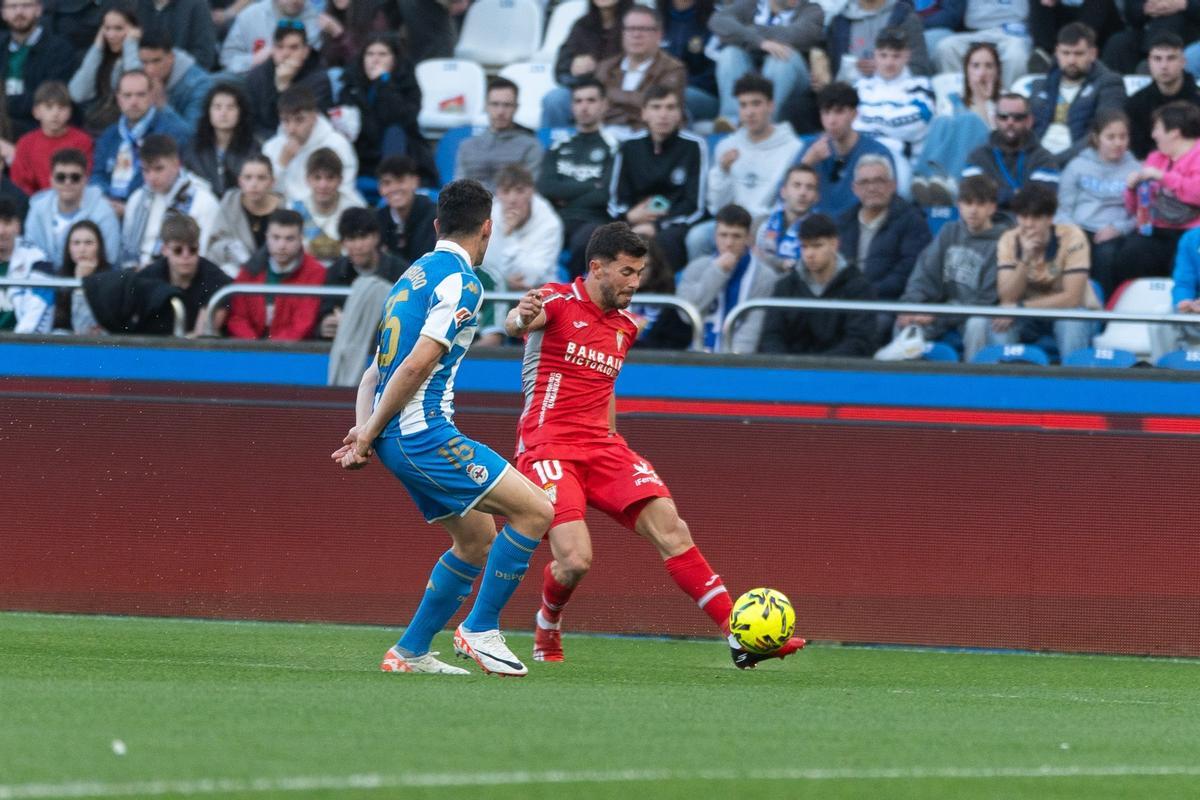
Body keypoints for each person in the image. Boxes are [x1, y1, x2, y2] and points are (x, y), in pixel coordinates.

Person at [505, 221, 804, 668]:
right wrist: (518, 316)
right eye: (626, 271)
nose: (635, 282)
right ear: (597, 268)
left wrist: (613, 442)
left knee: (673, 528)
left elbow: (603, 388)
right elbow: (518, 322)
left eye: (639, 272)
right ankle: (548, 623)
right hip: (547, 448)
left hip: (602, 448)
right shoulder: (555, 300)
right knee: (575, 561)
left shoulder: (626, 326)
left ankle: (737, 637)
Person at [333, 178, 554, 677]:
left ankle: (409, 652)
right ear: (488, 228)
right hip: (423, 435)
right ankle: (480, 628)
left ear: (436, 226)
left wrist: (364, 429)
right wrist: (365, 434)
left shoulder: (411, 275)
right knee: (537, 510)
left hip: (396, 438)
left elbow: (375, 369)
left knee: (477, 538)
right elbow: (413, 366)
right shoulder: (464, 281)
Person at [897, 173, 1007, 360]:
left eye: (980, 204)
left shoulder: (1003, 241)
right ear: (959, 205)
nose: (973, 210)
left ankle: (975, 380)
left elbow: (986, 300)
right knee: (904, 321)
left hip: (977, 314)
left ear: (992, 207)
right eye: (968, 203)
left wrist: (937, 316)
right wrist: (912, 307)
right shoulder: (949, 231)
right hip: (944, 310)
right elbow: (924, 275)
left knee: (977, 323)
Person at [1102, 101, 1200, 295]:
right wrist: (1131, 189)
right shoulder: (1155, 158)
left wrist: (1162, 177)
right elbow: (1135, 208)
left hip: (1192, 233)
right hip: (1155, 231)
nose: (1153, 135)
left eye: (1157, 128)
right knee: (1128, 255)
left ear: (1174, 132)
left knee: (1187, 261)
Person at [987, 184, 1095, 360]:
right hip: (1027, 315)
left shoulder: (1073, 237)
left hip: (1067, 310)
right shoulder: (1008, 239)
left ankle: (1074, 382)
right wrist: (1025, 259)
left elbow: (1072, 298)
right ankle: (1005, 382)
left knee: (1072, 323)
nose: (1028, 224)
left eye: (1036, 217)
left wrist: (1021, 308)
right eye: (1023, 216)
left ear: (1050, 218)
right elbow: (1007, 297)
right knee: (999, 322)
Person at [607, 85, 707, 272]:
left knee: (665, 241)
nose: (663, 114)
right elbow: (616, 199)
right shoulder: (629, 147)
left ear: (679, 114)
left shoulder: (694, 146)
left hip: (674, 224)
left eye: (670, 108)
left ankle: (664, 297)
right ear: (644, 113)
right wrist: (629, 217)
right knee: (602, 239)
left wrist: (657, 225)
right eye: (656, 107)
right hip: (633, 221)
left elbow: (696, 206)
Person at [759, 212, 878, 355]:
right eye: (804, 246)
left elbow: (859, 341)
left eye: (817, 246)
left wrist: (819, 367)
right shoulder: (786, 286)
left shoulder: (859, 288)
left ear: (834, 244)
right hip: (790, 372)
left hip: (839, 373)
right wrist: (787, 367)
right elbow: (771, 336)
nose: (809, 254)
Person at [701, 73, 801, 239]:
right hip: (731, 225)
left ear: (771, 106)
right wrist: (723, 171)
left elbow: (788, 204)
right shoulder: (727, 146)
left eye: (756, 104)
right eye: (743, 105)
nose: (749, 112)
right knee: (697, 238)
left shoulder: (793, 148)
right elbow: (716, 207)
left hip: (769, 225)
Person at [538, 78, 620, 268]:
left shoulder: (614, 147)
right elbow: (545, 188)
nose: (584, 107)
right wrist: (591, 185)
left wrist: (564, 195)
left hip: (594, 220)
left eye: (591, 100)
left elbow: (605, 194)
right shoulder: (558, 147)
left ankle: (576, 296)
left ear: (604, 105)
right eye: (578, 101)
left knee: (585, 243)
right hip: (556, 219)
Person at [1056, 110, 1139, 297]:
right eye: (1110, 137)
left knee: (1106, 255)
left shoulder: (1136, 169)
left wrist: (1119, 228)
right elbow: (1063, 208)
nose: (1118, 143)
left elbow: (1141, 214)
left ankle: (1104, 310)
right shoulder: (1077, 166)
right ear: (1096, 138)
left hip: (1115, 230)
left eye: (1123, 137)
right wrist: (1073, 232)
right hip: (1080, 227)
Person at [339, 33, 436, 182]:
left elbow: (403, 118)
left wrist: (384, 83)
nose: (375, 60)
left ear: (395, 59)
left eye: (382, 54)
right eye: (369, 54)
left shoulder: (407, 84)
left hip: (400, 151)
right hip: (362, 152)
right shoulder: (352, 84)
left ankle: (392, 181)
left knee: (394, 132)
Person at [677, 203, 774, 351]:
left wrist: (730, 364)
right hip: (697, 356)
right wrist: (718, 271)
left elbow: (752, 329)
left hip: (740, 362)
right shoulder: (696, 268)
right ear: (715, 236)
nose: (729, 243)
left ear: (748, 238)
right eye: (723, 235)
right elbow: (686, 314)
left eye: (736, 236)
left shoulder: (764, 276)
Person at [91, 69, 192, 212]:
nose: (133, 101)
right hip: (109, 209)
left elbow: (175, 178)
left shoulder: (172, 132)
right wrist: (109, 200)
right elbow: (97, 174)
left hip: (153, 209)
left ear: (151, 96)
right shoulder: (110, 134)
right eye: (127, 95)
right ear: (118, 99)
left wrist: (130, 207)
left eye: (140, 95)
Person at [789, 82, 896, 216]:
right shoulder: (810, 149)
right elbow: (784, 197)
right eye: (826, 113)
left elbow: (886, 203)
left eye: (839, 112)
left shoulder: (877, 153)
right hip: (815, 228)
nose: (831, 121)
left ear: (854, 114)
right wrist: (807, 163)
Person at [708, 0, 824, 122]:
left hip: (795, 85)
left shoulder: (812, 11)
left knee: (782, 56)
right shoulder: (751, 4)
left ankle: (764, 122)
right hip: (753, 75)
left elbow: (793, 35)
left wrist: (744, 31)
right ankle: (733, 120)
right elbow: (718, 21)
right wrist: (760, 42)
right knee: (730, 53)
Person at [910, 40, 997, 203]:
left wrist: (982, 102)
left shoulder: (1005, 102)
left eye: (989, 66)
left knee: (969, 120)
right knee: (942, 121)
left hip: (986, 162)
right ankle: (924, 179)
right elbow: (942, 132)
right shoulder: (952, 99)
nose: (982, 72)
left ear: (997, 71)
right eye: (976, 66)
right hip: (944, 169)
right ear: (966, 70)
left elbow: (997, 140)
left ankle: (954, 182)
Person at [1029, 23, 1125, 168]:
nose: (1071, 60)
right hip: (1036, 160)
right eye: (1066, 53)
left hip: (1081, 162)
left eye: (1078, 54)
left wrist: (1053, 162)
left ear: (1093, 54)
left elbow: (1103, 132)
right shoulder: (1040, 85)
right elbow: (1028, 129)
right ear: (1057, 53)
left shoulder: (1110, 84)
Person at [836, 154, 930, 300]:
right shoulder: (843, 223)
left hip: (887, 304)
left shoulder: (913, 222)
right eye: (865, 182)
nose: (872, 188)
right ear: (855, 189)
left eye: (879, 181)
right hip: (846, 301)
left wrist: (866, 292)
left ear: (893, 185)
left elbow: (908, 271)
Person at [118, 133, 219, 268]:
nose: (151, 177)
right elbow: (126, 249)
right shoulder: (137, 199)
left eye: (158, 169)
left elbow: (204, 255)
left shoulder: (203, 201)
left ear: (176, 164)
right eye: (146, 170)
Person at [225, 208, 326, 340]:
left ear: (301, 239)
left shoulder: (315, 272)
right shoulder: (250, 269)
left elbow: (303, 324)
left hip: (293, 352)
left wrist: (271, 350)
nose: (281, 245)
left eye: (289, 239)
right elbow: (237, 318)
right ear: (267, 236)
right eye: (276, 237)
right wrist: (253, 346)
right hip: (251, 349)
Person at [851, 26, 934, 178]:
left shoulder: (921, 86)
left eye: (896, 56)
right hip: (860, 155)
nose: (889, 62)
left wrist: (870, 121)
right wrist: (890, 122)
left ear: (907, 56)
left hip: (900, 159)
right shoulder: (859, 87)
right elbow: (850, 124)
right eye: (883, 55)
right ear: (875, 55)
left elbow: (917, 125)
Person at [594, 6, 688, 131]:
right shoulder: (605, 67)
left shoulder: (673, 69)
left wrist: (610, 95)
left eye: (643, 29)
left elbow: (657, 106)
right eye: (630, 29)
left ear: (659, 35)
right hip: (606, 131)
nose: (636, 34)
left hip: (649, 135)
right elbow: (595, 107)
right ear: (623, 33)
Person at [540, 0, 632, 128]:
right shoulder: (583, 25)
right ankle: (555, 146)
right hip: (584, 88)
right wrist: (574, 68)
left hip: (622, 91)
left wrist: (596, 69)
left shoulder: (635, 25)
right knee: (555, 100)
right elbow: (561, 70)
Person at [317, 206, 405, 339]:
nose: (358, 246)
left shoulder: (400, 270)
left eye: (363, 237)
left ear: (376, 237)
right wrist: (324, 327)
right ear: (343, 243)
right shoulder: (334, 272)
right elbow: (326, 312)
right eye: (351, 239)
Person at [24, 148, 121, 267]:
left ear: (85, 179)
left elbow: (109, 258)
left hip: (90, 279)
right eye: (61, 177)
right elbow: (30, 250)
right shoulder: (38, 208)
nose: (67, 182)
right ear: (51, 179)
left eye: (75, 177)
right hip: (45, 279)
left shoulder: (104, 212)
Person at [962, 92, 1060, 210]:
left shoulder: (1044, 159)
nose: (1010, 122)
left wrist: (995, 192)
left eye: (1017, 117)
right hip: (987, 225)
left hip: (1027, 225)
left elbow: (1040, 202)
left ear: (1029, 121)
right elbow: (973, 197)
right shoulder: (977, 156)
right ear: (994, 120)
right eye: (1003, 117)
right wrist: (1018, 193)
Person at [139, 213, 232, 336]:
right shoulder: (147, 278)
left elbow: (203, 337)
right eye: (178, 250)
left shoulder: (216, 280)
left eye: (193, 250)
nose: (186, 256)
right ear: (164, 250)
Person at [262, 86, 358, 204]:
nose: (291, 129)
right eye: (286, 121)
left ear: (314, 117)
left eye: (299, 120)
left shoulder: (338, 144)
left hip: (325, 214)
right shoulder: (271, 147)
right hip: (284, 215)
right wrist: (281, 165)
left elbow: (344, 190)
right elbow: (263, 194)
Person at [245, 20, 333, 139]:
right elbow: (252, 122)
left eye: (293, 47)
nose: (286, 53)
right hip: (264, 142)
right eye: (280, 47)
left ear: (306, 51)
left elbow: (313, 124)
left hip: (306, 141)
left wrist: (284, 87)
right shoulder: (257, 76)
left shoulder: (320, 79)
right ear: (273, 50)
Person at [0, 0, 76, 137]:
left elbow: (49, 98)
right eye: (12, 6)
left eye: (26, 5)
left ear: (39, 9)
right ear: (3, 13)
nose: (19, 12)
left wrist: (5, 103)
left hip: (38, 130)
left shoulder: (59, 49)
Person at [482, 164, 563, 291]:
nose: (512, 199)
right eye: (506, 191)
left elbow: (529, 278)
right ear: (498, 194)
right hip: (495, 289)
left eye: (519, 191)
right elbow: (483, 266)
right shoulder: (488, 219)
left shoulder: (549, 224)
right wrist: (503, 281)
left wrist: (509, 235)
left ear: (531, 192)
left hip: (538, 293)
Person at [454, 77, 542, 190]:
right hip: (472, 205)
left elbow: (528, 189)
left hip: (512, 206)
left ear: (516, 108)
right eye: (495, 104)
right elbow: (458, 188)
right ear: (486, 106)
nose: (500, 112)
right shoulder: (467, 146)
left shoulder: (531, 146)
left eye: (507, 105)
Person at [9, 81, 94, 197]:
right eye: (49, 107)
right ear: (36, 112)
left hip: (74, 201)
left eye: (61, 107)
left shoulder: (82, 141)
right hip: (34, 204)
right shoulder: (26, 143)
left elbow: (86, 177)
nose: (55, 113)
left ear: (70, 112)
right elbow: (19, 183)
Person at [68, 2, 141, 135]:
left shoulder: (143, 56)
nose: (111, 35)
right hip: (97, 128)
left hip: (130, 129)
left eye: (118, 28)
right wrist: (97, 48)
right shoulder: (100, 56)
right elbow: (77, 94)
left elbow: (135, 83)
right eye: (107, 28)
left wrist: (131, 44)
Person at [1125, 32, 1200, 160]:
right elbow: (1136, 149)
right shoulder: (1136, 103)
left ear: (1183, 62)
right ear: (1149, 62)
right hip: (1150, 169)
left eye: (1171, 58)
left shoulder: (1198, 100)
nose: (1164, 66)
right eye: (1157, 58)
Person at [208, 155, 283, 276]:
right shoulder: (230, 203)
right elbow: (213, 246)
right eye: (248, 177)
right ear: (240, 181)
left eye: (261, 178)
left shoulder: (286, 207)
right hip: (239, 276)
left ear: (272, 182)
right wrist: (230, 249)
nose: (254, 184)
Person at [827, 0, 932, 84]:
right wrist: (852, 69)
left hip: (897, 97)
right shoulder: (839, 22)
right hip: (851, 101)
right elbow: (832, 73)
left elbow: (920, 68)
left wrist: (886, 68)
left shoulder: (906, 17)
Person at [290, 147, 364, 266]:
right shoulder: (295, 209)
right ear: (307, 180)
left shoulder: (355, 208)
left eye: (330, 178)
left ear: (340, 180)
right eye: (317, 177)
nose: (323, 185)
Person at [933, 0, 1031, 89]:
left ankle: (1006, 100)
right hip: (976, 32)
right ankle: (961, 100)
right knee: (947, 47)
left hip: (1013, 33)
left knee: (1016, 54)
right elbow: (952, 13)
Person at [185, 84, 261, 198]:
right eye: (217, 107)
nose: (223, 113)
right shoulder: (194, 147)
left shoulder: (252, 147)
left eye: (230, 107)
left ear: (240, 112)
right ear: (208, 111)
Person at [136, 28, 213, 129]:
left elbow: (191, 136)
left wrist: (162, 106)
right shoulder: (138, 76)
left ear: (171, 57)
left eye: (156, 61)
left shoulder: (200, 84)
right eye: (144, 62)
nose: (150, 70)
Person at [220, 0, 320, 77]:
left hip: (301, 82)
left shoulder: (318, 20)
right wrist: (253, 60)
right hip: (251, 79)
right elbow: (227, 59)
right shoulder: (250, 16)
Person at [0, 196, 56, 333]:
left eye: (7, 223)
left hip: (20, 346)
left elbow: (36, 313)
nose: (1, 231)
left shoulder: (38, 261)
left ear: (18, 227)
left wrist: (16, 346)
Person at [656, 0, 719, 121]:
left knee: (674, 96)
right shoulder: (655, 19)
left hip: (703, 94)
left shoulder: (715, 19)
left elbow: (715, 73)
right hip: (659, 90)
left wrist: (679, 83)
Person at [375, 155, 437, 266]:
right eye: (387, 183)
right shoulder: (377, 219)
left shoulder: (434, 217)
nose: (394, 189)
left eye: (400, 181)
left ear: (415, 182)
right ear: (380, 189)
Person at [1150, 226, 1200, 360]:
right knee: (1160, 316)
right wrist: (1183, 301)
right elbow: (1183, 283)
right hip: (1196, 310)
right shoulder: (1191, 238)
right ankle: (1164, 373)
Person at [54, 219, 112, 334]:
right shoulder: (60, 278)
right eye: (76, 243)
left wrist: (82, 281)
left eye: (88, 243)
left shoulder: (111, 278)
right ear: (68, 249)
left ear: (99, 247)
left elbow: (86, 330)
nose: (82, 249)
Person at [135, 0, 217, 71]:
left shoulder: (196, 4)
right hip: (140, 79)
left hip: (184, 80)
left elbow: (204, 55)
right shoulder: (136, 4)